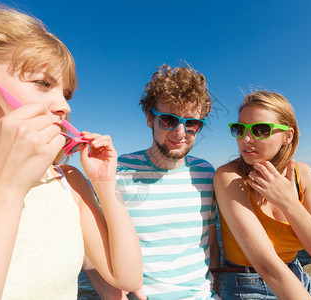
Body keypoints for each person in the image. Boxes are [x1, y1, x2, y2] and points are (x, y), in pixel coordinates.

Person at [0, 5, 142, 299]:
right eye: (42, 83)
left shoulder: (67, 181)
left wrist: (104, 184)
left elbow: (126, 276)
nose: (65, 107)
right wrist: (2, 186)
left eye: (65, 93)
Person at [86, 63, 221, 299]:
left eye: (191, 123)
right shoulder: (116, 171)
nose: (180, 133)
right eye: (169, 120)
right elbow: (89, 243)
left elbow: (210, 241)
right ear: (150, 117)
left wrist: (217, 285)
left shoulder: (207, 173)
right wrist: (109, 292)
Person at [214, 91, 311, 299]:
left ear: (287, 136)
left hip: (298, 275)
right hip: (246, 285)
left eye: (261, 130)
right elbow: (268, 267)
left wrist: (289, 203)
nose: (246, 139)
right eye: (240, 129)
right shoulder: (229, 177)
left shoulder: (304, 175)